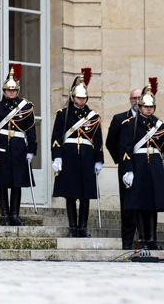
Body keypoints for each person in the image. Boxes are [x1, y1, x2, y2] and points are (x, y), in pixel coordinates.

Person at [0, 65, 37, 226]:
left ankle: (15, 215)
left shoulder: (26, 107)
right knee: (2, 182)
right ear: (4, 91)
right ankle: (5, 215)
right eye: (8, 90)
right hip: (2, 148)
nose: (11, 92)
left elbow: (31, 131)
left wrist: (31, 150)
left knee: (17, 183)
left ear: (17, 90)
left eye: (13, 90)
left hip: (19, 147)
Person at [51, 68, 103, 238]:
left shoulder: (93, 116)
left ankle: (83, 227)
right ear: (73, 97)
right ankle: (73, 227)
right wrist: (57, 157)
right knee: (71, 193)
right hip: (70, 156)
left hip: (87, 157)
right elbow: (56, 138)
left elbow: (98, 140)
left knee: (86, 195)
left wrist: (99, 160)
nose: (82, 100)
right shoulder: (63, 115)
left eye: (84, 97)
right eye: (79, 97)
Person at [119, 79, 164, 250]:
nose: (149, 110)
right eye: (146, 107)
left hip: (154, 166)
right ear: (140, 107)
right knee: (139, 205)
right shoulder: (130, 124)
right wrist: (128, 170)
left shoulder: (159, 126)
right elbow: (125, 149)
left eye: (151, 107)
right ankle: (143, 239)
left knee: (152, 205)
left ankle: (152, 239)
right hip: (138, 166)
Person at [105, 87, 141, 249]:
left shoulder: (152, 120)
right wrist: (121, 161)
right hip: (127, 168)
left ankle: (146, 240)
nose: (137, 101)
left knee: (145, 205)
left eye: (140, 98)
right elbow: (110, 142)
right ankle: (127, 243)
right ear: (130, 100)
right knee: (127, 206)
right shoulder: (120, 118)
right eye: (134, 98)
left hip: (144, 168)